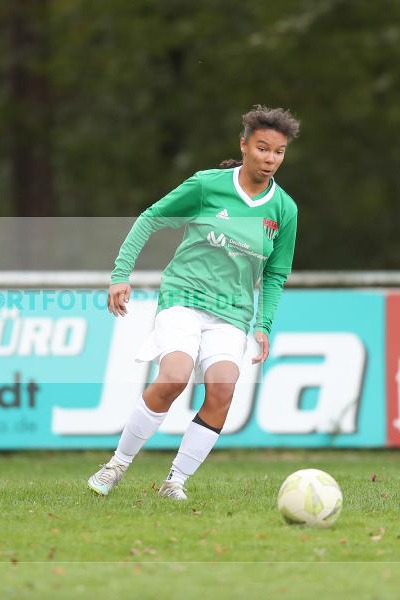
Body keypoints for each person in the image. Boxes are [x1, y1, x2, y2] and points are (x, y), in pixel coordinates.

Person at [87, 105, 300, 500]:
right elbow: (151, 217)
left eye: (279, 152)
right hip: (183, 296)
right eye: (263, 148)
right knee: (174, 376)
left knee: (223, 389)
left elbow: (275, 273)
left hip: (233, 313)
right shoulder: (207, 186)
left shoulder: (284, 209)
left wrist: (263, 324)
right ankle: (116, 465)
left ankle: (175, 482)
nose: (270, 159)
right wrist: (120, 275)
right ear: (244, 145)